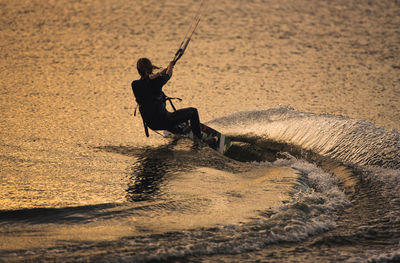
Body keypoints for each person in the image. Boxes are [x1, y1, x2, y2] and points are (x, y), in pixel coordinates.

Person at [132, 57, 202, 139]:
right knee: (193, 111)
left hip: (152, 124)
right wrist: (170, 66)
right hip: (165, 121)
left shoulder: (135, 85)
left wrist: (161, 72)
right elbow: (168, 74)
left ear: (138, 70)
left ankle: (179, 131)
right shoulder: (157, 81)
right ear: (151, 68)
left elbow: (146, 80)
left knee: (168, 117)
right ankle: (198, 139)